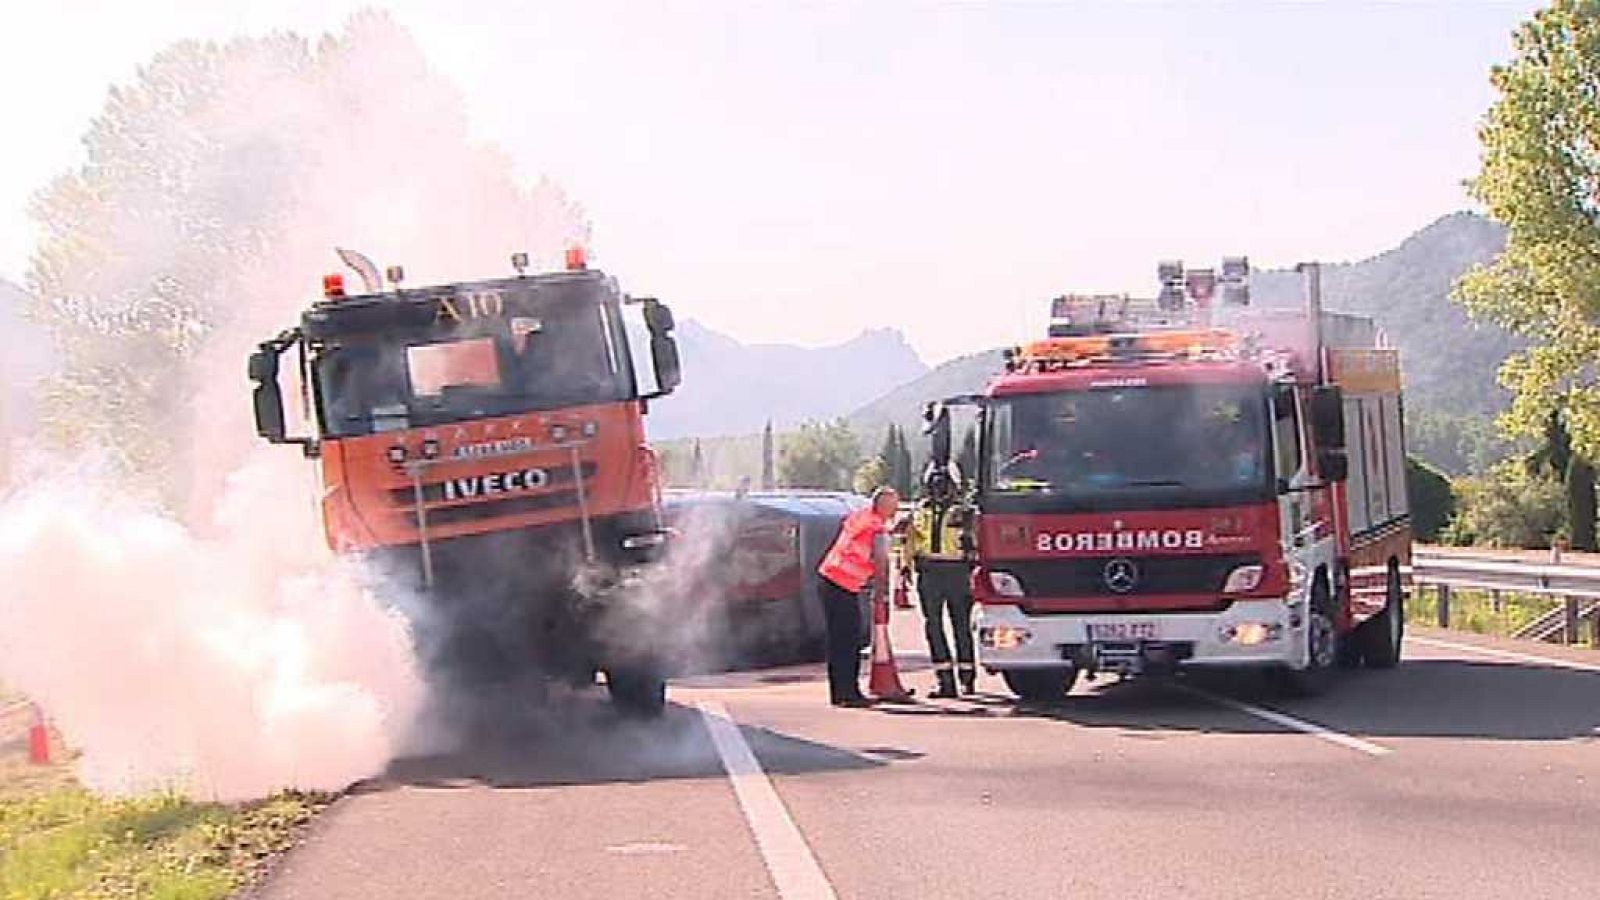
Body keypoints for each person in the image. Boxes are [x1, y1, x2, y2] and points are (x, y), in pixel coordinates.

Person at [817, 487, 899, 708]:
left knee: (838, 641)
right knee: (848, 640)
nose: (895, 510)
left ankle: (840, 693)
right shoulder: (876, 527)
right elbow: (880, 561)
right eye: (893, 505)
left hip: (832, 579)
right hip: (842, 584)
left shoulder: (862, 516)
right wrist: (882, 593)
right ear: (882, 506)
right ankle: (849, 693)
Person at [902, 463, 977, 697]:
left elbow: (978, 541)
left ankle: (967, 677)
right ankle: (945, 681)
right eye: (934, 483)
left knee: (961, 626)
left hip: (957, 572)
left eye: (943, 483)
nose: (938, 488)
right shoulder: (919, 511)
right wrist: (905, 566)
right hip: (929, 572)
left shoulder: (965, 512)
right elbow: (910, 540)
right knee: (933, 626)